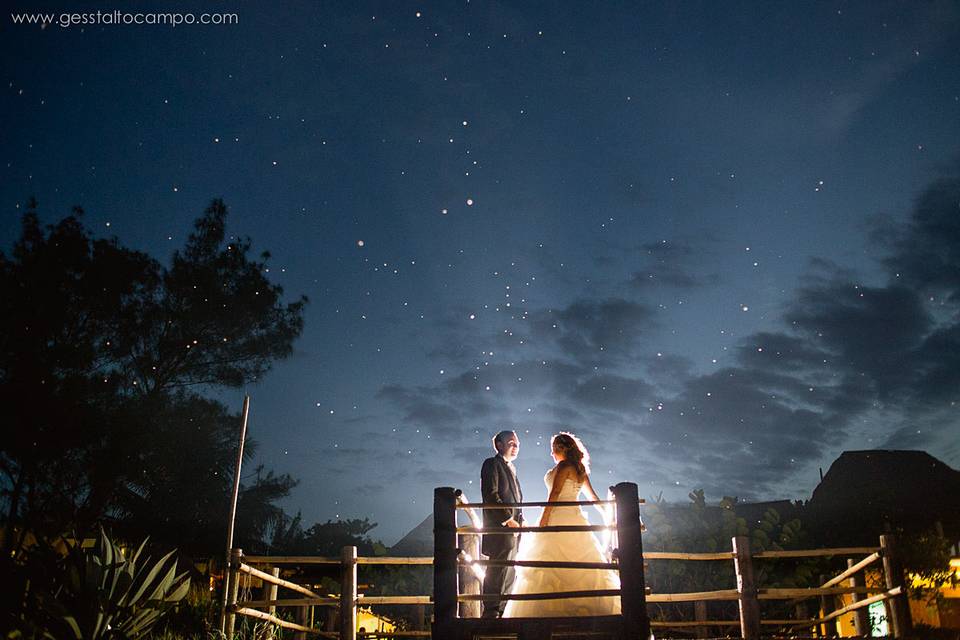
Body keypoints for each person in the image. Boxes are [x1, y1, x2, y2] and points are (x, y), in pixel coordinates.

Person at [504, 432, 621, 618]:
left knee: (548, 563)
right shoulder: (580, 469)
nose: (552, 454)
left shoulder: (564, 466)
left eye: (553, 450)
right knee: (581, 562)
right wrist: (608, 514)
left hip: (558, 515)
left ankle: (547, 614)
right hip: (575, 517)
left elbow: (555, 494)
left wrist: (544, 519)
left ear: (561, 449)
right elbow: (593, 498)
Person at [480, 430, 524, 618]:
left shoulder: (512, 469)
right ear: (499, 445)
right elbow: (491, 495)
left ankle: (503, 611)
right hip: (500, 527)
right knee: (497, 568)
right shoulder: (491, 464)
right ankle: (490, 611)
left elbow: (515, 499)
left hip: (514, 528)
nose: (516, 447)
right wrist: (508, 519)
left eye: (517, 444)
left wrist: (520, 520)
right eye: (512, 443)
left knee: (510, 568)